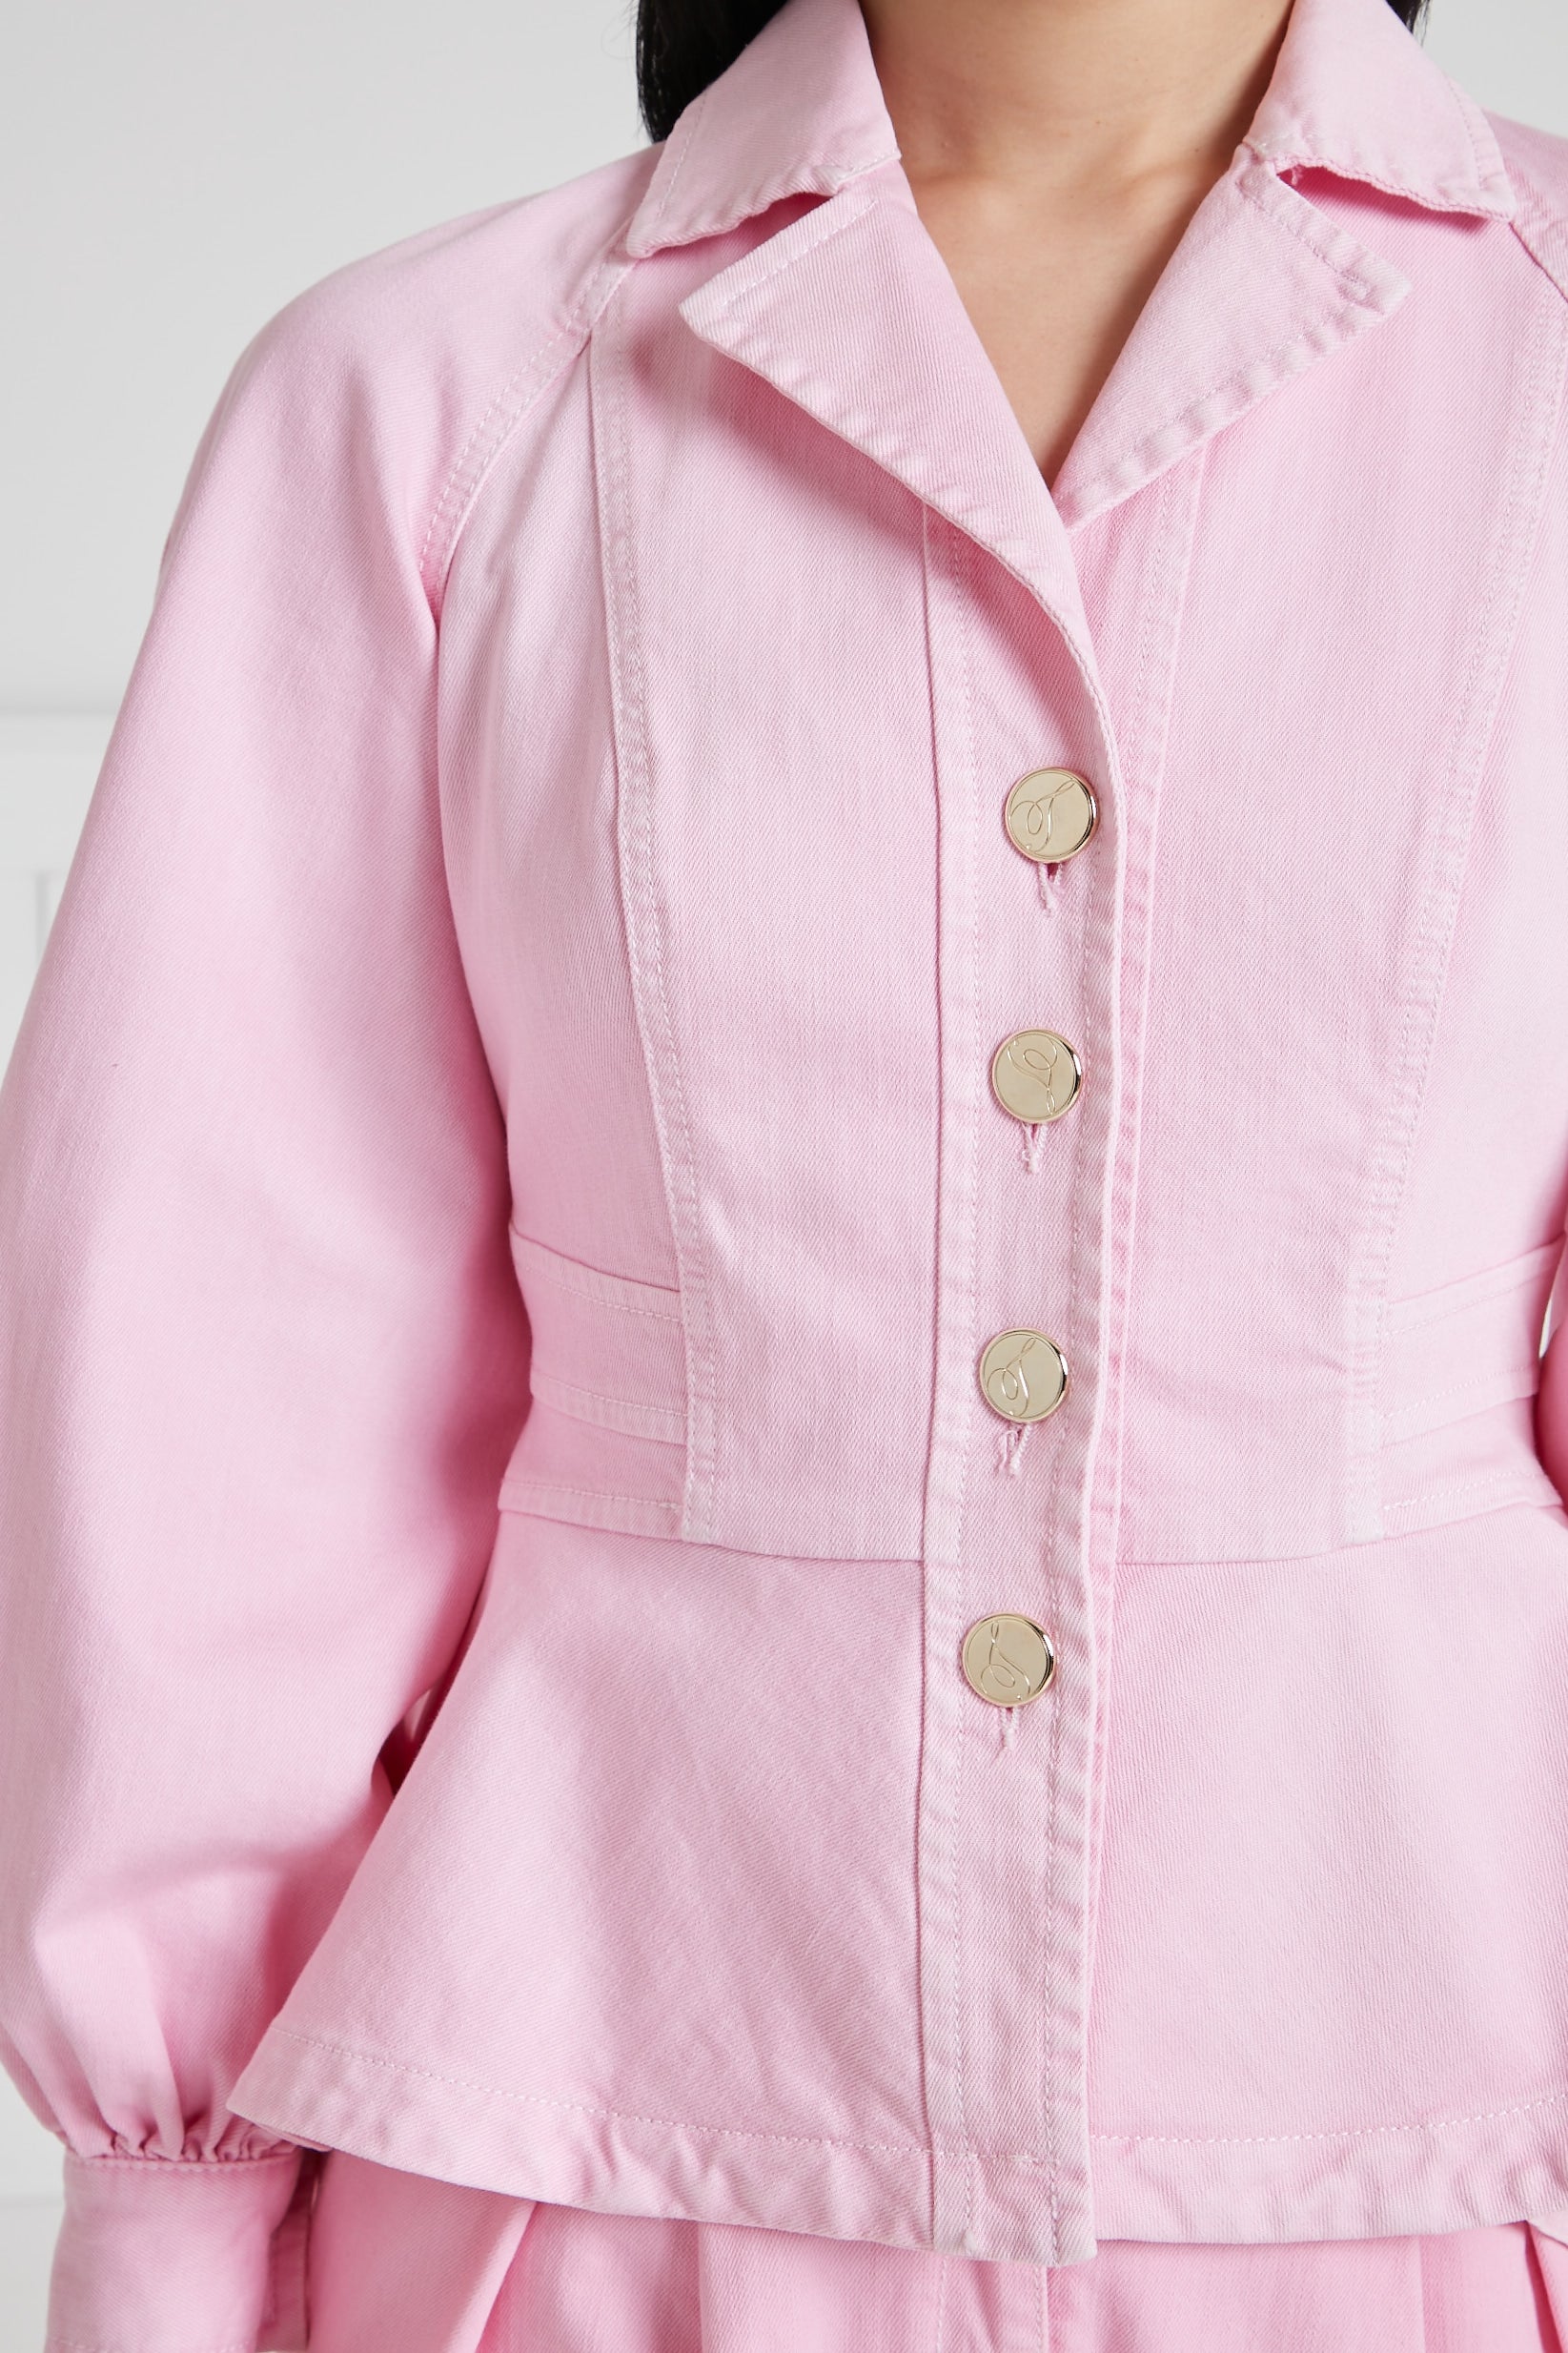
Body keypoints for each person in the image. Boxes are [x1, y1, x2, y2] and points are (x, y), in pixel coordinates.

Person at [5, 0, 1568, 2343]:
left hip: (1437, 2127)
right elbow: (220, 1370)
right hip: (584, 2138)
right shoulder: (431, 392)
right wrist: (168, 2215)